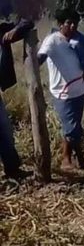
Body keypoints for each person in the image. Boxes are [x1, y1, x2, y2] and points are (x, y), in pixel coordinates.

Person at [38, 9, 84, 171]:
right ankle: (67, 158)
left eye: (75, 23)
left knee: (74, 127)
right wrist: (32, 63)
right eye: (69, 22)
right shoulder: (52, 40)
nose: (73, 26)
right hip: (62, 93)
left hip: (79, 90)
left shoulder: (78, 42)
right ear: (60, 24)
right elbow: (41, 57)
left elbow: (81, 66)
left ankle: (76, 157)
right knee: (71, 128)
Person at [0, 13, 33, 179]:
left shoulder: (1, 31)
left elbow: (27, 22)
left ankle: (13, 170)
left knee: (5, 131)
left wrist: (16, 30)